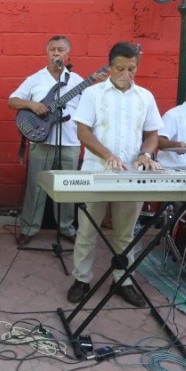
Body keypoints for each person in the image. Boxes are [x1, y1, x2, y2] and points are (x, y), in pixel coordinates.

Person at [68, 42, 163, 307]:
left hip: (131, 175)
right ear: (109, 67)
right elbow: (83, 132)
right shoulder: (93, 94)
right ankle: (81, 279)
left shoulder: (145, 97)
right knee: (87, 230)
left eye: (131, 69)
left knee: (126, 233)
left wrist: (146, 153)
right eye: (120, 68)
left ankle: (123, 279)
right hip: (97, 172)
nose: (125, 74)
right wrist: (107, 154)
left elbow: (153, 133)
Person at [7, 36, 90, 246]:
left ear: (67, 54)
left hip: (70, 141)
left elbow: (91, 109)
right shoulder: (35, 79)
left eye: (60, 49)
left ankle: (66, 227)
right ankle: (29, 228)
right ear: (46, 53)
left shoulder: (78, 80)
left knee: (68, 187)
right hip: (41, 141)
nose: (56, 53)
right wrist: (32, 105)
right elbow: (12, 101)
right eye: (52, 49)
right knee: (36, 186)